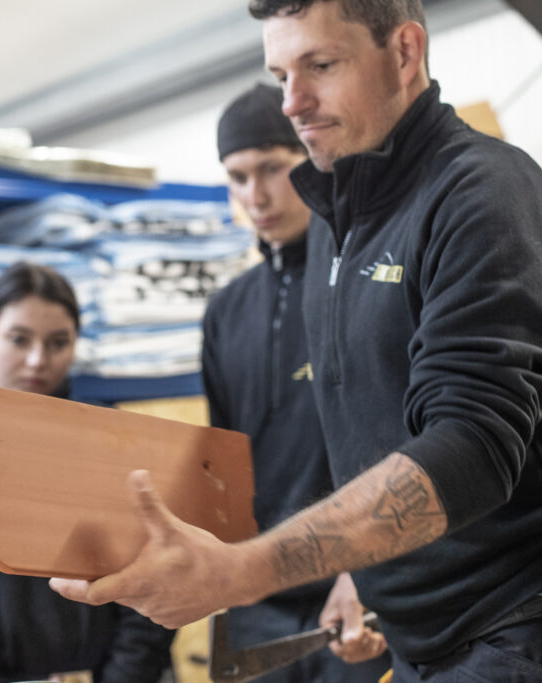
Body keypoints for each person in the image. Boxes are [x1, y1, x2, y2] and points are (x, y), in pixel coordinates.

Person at [51, 1, 542, 681]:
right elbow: (378, 438)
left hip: (524, 628)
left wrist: (239, 571)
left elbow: (470, 451)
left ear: (404, 52)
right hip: (416, 638)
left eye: (321, 65)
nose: (293, 101)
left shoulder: (485, 195)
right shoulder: (334, 226)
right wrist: (360, 569)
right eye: (280, 74)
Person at [0, 261, 175, 683]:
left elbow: (153, 580)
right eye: (19, 339)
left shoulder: (115, 443)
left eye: (58, 342)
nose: (37, 360)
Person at [204, 82, 388, 678]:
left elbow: (401, 441)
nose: (255, 195)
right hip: (256, 592)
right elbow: (223, 461)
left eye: (271, 169)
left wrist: (364, 571)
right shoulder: (226, 310)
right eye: (236, 177)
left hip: (355, 583)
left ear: (309, 156)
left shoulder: (364, 276)